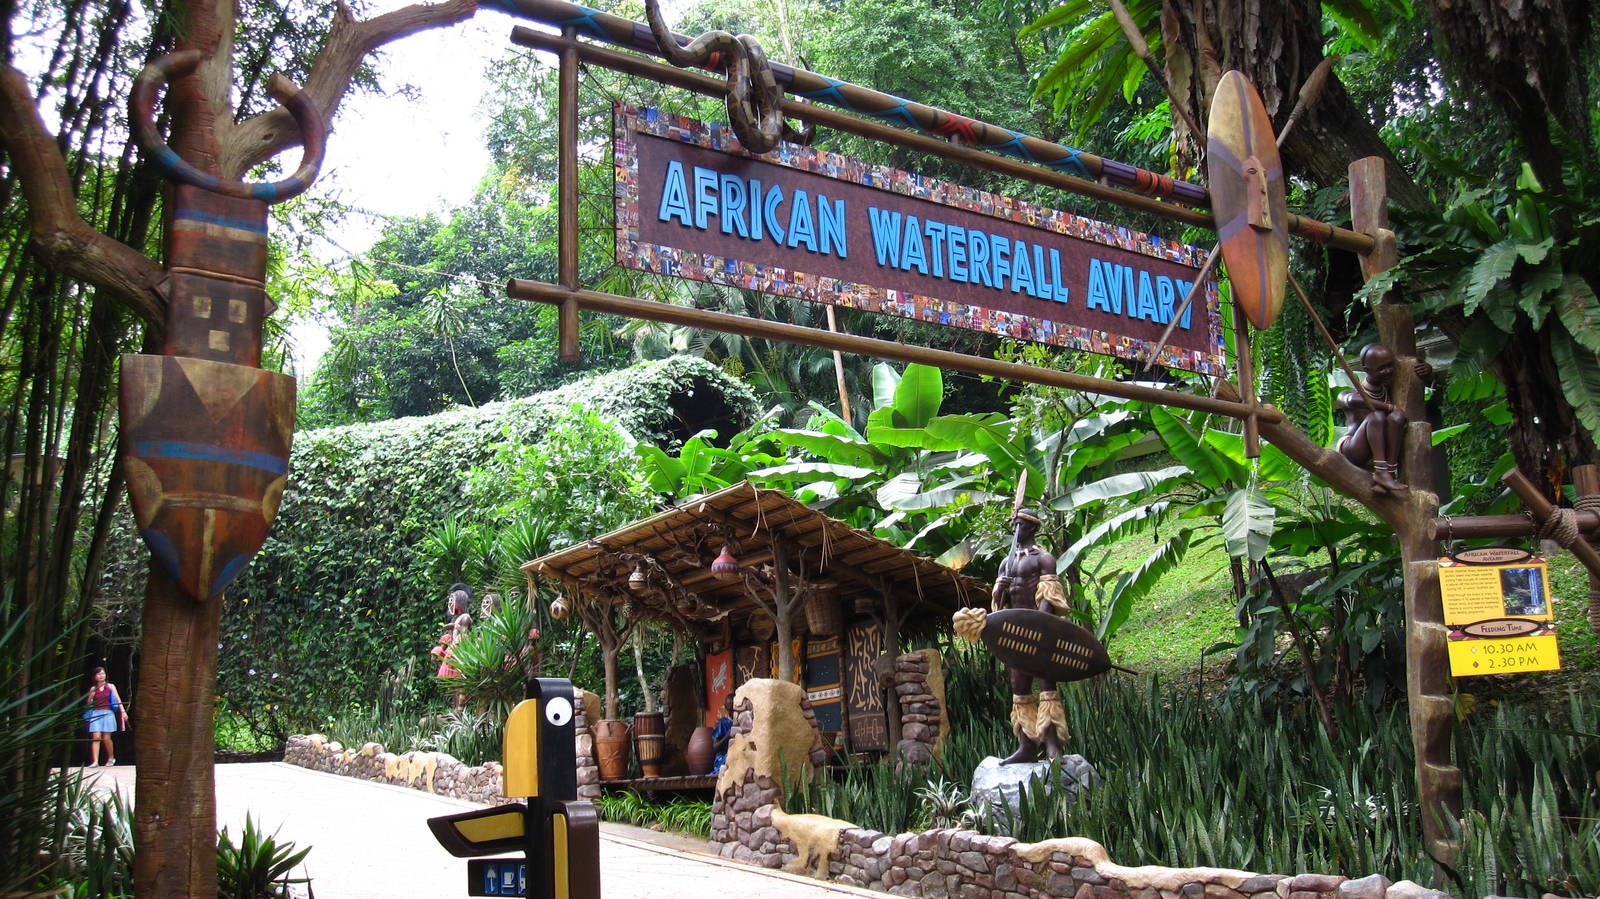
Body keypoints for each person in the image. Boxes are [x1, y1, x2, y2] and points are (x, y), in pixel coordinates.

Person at [991, 509, 1073, 764]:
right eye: (1014, 524)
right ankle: (1026, 746)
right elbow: (1000, 606)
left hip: (1039, 630)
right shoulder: (1006, 563)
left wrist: (1038, 625)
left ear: (1032, 528)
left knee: (1046, 685)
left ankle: (1052, 745)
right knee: (1019, 688)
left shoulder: (1043, 558)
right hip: (1014, 633)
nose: (1016, 528)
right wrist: (998, 591)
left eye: (1021, 524)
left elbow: (1050, 594)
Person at [1336, 343, 1429, 495]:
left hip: (1381, 456)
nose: (1388, 371)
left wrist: (1426, 371)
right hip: (1353, 450)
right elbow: (1352, 400)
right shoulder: (1349, 393)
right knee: (1377, 416)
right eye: (1381, 368)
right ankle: (1381, 473)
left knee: (1398, 417)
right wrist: (1388, 407)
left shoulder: (1389, 391)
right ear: (1367, 370)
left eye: (1390, 365)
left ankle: (1390, 475)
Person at [84, 667, 128, 766]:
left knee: (106, 738)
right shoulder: (93, 688)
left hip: (108, 713)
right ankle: (95, 761)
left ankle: (111, 757)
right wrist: (91, 696)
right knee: (96, 737)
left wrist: (123, 712)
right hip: (95, 714)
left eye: (103, 674)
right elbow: (88, 703)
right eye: (99, 674)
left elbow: (118, 700)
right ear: (95, 676)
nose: (101, 676)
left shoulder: (111, 686)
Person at [432, 612, 472, 712]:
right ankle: (455, 709)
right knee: (454, 689)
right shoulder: (455, 637)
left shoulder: (462, 638)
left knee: (459, 690)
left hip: (458, 668)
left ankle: (459, 710)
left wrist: (456, 660)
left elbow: (458, 652)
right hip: (453, 666)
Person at [709, 693, 736, 774]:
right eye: (729, 710)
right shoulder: (723, 724)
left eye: (733, 710)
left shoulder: (743, 721)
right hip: (723, 759)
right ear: (726, 708)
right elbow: (714, 747)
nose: (731, 713)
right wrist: (727, 736)